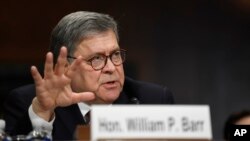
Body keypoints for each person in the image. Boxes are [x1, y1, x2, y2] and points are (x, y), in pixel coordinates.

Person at [3, 11, 174, 140]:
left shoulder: (153, 100)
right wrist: (42, 113)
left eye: (115, 54)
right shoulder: (29, 103)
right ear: (65, 67)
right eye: (96, 59)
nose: (111, 68)